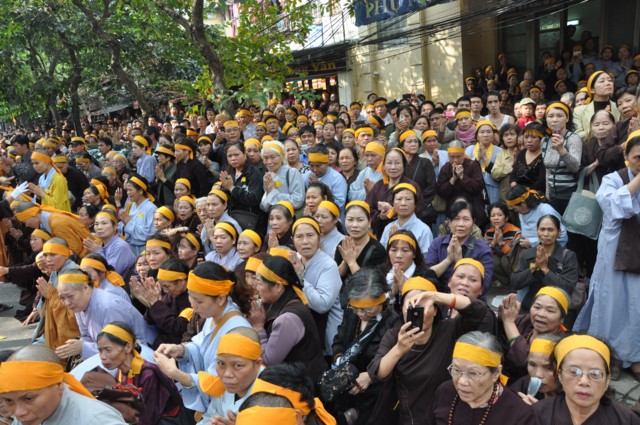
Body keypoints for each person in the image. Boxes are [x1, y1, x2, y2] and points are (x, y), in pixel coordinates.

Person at [368, 277, 488, 425]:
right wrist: (399, 349)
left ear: (436, 310)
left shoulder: (449, 329)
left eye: (423, 306)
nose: (417, 311)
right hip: (410, 416)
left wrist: (435, 296)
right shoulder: (394, 336)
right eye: (411, 305)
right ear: (403, 309)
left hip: (446, 412)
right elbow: (377, 372)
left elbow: (478, 310)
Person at [574, 132, 640, 378]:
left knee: (636, 304)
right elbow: (614, 207)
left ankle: (635, 356)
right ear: (626, 156)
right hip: (615, 252)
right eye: (638, 157)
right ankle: (609, 353)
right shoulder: (613, 179)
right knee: (612, 302)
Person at [154, 262, 251, 412]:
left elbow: (221, 383)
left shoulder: (237, 331)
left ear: (220, 298)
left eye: (199, 301)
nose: (193, 306)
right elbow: (202, 345)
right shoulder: (214, 315)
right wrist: (181, 350)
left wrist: (177, 374)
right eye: (190, 297)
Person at [330, 268, 401, 425]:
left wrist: (369, 377)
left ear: (381, 300)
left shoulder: (393, 323)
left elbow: (393, 363)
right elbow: (338, 341)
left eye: (368, 309)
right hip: (345, 388)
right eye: (356, 308)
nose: (361, 314)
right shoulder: (351, 313)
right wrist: (341, 360)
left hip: (375, 395)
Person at [0, 345, 127, 425]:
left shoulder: (96, 420)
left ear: (59, 386)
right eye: (8, 400)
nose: (18, 413)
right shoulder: (31, 416)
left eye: (28, 398)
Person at [429, 331, 536, 425]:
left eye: (473, 373)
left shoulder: (519, 414)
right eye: (456, 370)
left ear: (496, 373)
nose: (462, 381)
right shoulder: (445, 392)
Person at [247, 255, 325, 380]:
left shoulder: (288, 319)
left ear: (278, 286)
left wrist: (258, 327)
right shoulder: (283, 299)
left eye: (260, 283)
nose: (257, 287)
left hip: (300, 384)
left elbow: (267, 362)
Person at [533, 334, 640, 424]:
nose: (584, 382)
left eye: (595, 374)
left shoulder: (627, 420)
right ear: (560, 374)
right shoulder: (538, 414)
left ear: (607, 380)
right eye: (574, 372)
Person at [55, 269, 156, 360]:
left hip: (141, 351)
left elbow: (120, 346)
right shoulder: (79, 306)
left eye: (70, 296)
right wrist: (79, 345)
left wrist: (83, 347)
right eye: (62, 298)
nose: (67, 303)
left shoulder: (108, 306)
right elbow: (86, 335)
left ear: (86, 288)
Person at [96, 322, 184, 425]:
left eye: (108, 350)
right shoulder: (120, 373)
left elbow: (147, 419)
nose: (102, 357)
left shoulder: (148, 375)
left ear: (128, 347)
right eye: (100, 351)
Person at [289, 217, 343, 355]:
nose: (305, 241)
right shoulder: (294, 259)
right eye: (299, 237)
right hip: (301, 331)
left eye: (310, 235)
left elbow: (323, 305)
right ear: (293, 240)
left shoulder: (328, 265)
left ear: (319, 238)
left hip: (325, 335)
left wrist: (300, 276)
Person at [499, 287, 569, 380]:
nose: (541, 314)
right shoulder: (525, 321)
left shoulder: (561, 342)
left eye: (550, 310)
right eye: (537, 307)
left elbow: (523, 362)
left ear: (562, 318)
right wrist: (500, 315)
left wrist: (509, 322)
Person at [511, 215, 578, 312]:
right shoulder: (527, 253)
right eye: (542, 229)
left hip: (558, 308)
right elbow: (515, 282)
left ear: (559, 233)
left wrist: (545, 269)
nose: (545, 234)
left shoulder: (568, 256)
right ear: (537, 231)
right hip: (531, 306)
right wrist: (534, 267)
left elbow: (568, 288)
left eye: (550, 230)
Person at [196, 328, 264, 425]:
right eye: (221, 363)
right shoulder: (227, 386)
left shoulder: (272, 397)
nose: (227, 374)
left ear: (257, 364)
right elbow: (209, 418)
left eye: (238, 365)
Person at [427, 200, 494, 293]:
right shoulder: (437, 243)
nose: (461, 224)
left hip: (469, 300)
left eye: (466, 219)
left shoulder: (483, 249)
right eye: (456, 219)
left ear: (473, 223)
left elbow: (484, 287)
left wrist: (460, 262)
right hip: (440, 298)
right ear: (449, 222)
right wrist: (448, 260)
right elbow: (426, 277)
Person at [367, 148, 424, 237]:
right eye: (389, 163)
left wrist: (393, 211)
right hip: (381, 234)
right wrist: (380, 216)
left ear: (404, 165)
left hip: (406, 234)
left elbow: (418, 210)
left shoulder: (411, 186)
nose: (393, 167)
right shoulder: (378, 186)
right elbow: (368, 209)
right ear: (384, 166)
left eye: (397, 163)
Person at [541, 102, 582, 214]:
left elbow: (575, 167)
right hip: (552, 196)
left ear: (567, 118)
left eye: (559, 116)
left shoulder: (573, 139)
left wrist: (561, 150)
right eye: (550, 116)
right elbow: (548, 170)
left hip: (570, 195)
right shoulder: (544, 140)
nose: (555, 120)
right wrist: (547, 194)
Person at [14, 201, 93, 258]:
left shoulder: (56, 223)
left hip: (87, 255)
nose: (27, 225)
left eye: (25, 222)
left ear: (33, 216)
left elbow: (75, 249)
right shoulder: (51, 219)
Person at [436, 142, 488, 228]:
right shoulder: (446, 168)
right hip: (453, 209)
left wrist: (462, 177)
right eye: (452, 157)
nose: (455, 160)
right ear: (448, 156)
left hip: (474, 208)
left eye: (458, 156)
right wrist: (453, 179)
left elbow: (478, 187)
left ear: (463, 155)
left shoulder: (473, 165)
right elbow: (440, 191)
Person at [335, 201, 387, 285]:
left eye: (360, 220)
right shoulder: (343, 244)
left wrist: (351, 262)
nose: (354, 225)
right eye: (350, 220)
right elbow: (336, 277)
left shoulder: (377, 250)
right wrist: (345, 261)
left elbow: (369, 286)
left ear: (369, 223)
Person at [380, 183, 433, 260]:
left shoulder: (424, 230)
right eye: (399, 199)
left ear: (415, 204)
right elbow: (382, 257)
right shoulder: (388, 228)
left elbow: (425, 261)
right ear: (393, 203)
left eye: (408, 199)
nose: (403, 203)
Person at [508, 334, 561, 404]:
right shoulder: (523, 385)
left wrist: (538, 409)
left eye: (549, 368)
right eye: (532, 365)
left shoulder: (571, 398)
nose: (537, 374)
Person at [83, 210, 136, 278]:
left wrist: (98, 251)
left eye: (104, 223)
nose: (99, 227)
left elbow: (110, 275)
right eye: (96, 224)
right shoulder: (102, 244)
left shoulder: (120, 246)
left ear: (115, 226)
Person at [220, 141, 265, 218]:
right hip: (232, 215)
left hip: (250, 218)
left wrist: (232, 188)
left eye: (236, 155)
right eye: (229, 156)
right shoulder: (229, 172)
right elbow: (226, 190)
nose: (233, 158)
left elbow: (254, 199)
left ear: (244, 154)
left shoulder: (253, 173)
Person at [572, 70, 620, 141]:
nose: (608, 83)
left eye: (610, 80)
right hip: (590, 147)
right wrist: (597, 126)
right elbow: (577, 137)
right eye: (602, 81)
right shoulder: (579, 111)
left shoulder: (618, 107)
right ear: (592, 90)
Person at [260, 140, 305, 213]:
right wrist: (268, 193)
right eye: (265, 158)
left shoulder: (291, 172)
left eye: (272, 157)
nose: (269, 162)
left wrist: (273, 193)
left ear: (281, 157)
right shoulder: (268, 176)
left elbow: (297, 201)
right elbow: (264, 206)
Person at [117, 174, 157, 256]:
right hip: (129, 248)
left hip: (143, 250)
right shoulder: (131, 205)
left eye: (130, 190)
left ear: (140, 191)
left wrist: (129, 223)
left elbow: (150, 234)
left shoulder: (151, 208)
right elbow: (123, 226)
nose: (128, 193)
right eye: (127, 190)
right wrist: (123, 225)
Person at [484, 202, 521, 287]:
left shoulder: (516, 232)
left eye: (499, 215)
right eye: (493, 215)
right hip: (500, 262)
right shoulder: (488, 233)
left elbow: (515, 255)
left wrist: (501, 243)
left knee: (505, 260)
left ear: (506, 217)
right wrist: (493, 243)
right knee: (489, 259)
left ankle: (516, 282)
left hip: (513, 263)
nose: (496, 218)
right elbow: (484, 253)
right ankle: (506, 282)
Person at [465, 120, 502, 205]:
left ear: (493, 135)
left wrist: (485, 157)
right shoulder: (470, 149)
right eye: (482, 132)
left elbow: (498, 174)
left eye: (489, 132)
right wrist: (478, 158)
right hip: (473, 187)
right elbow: (466, 171)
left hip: (492, 188)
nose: (485, 135)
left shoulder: (499, 151)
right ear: (477, 136)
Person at [509, 123, 546, 194]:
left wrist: (525, 191)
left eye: (533, 137)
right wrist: (514, 184)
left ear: (541, 139)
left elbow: (542, 181)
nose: (529, 140)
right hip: (518, 193)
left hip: (536, 194)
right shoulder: (522, 153)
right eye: (526, 137)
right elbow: (513, 174)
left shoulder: (544, 155)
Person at [491, 124, 519, 202]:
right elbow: (494, 173)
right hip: (506, 198)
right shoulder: (501, 154)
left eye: (512, 134)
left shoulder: (524, 151)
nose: (509, 138)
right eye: (506, 135)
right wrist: (507, 169)